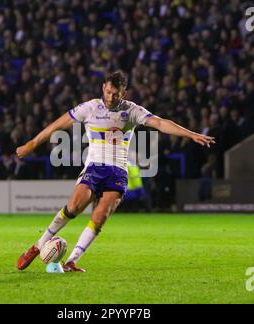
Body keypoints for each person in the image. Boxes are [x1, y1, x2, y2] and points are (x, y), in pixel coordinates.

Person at [16, 71, 215, 272]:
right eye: (109, 92)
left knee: (100, 216)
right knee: (74, 207)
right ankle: (37, 246)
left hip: (118, 172)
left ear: (124, 93)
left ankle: (72, 260)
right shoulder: (90, 107)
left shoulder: (131, 110)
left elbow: (161, 123)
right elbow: (57, 125)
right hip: (94, 167)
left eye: (116, 94)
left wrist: (191, 135)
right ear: (103, 87)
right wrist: (32, 144)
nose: (111, 97)